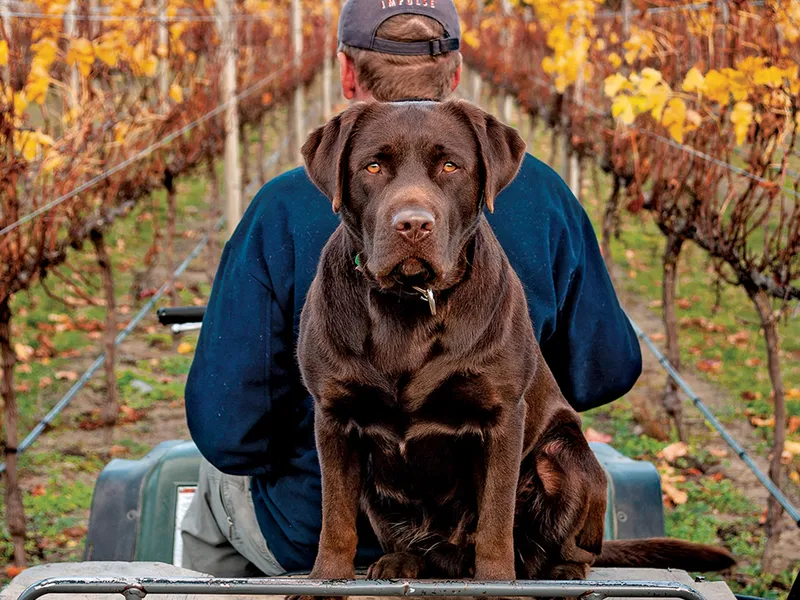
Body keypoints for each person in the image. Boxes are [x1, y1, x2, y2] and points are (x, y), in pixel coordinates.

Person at [180, 0, 643, 577]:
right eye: (375, 170)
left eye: (447, 172)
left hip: (309, 527)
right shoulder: (545, 193)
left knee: (209, 491)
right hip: (468, 525)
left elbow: (229, 433)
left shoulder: (279, 205)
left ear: (346, 73)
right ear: (454, 74)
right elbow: (608, 369)